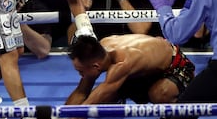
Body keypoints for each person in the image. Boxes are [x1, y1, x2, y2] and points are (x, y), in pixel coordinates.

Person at [65, 33, 195, 105]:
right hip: (143, 73)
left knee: (159, 94)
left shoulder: (123, 62)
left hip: (177, 68)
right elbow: (81, 91)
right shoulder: (100, 50)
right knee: (106, 98)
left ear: (96, 66)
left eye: (81, 71)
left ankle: (182, 108)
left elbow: (89, 104)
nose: (81, 75)